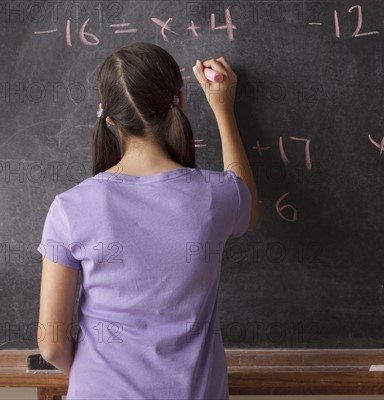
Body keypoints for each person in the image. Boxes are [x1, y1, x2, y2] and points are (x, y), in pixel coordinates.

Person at [36, 42, 259, 399]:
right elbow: (244, 196)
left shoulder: (70, 208)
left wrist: (99, 377)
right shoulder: (218, 196)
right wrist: (222, 109)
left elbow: (52, 345)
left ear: (108, 119)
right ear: (180, 102)